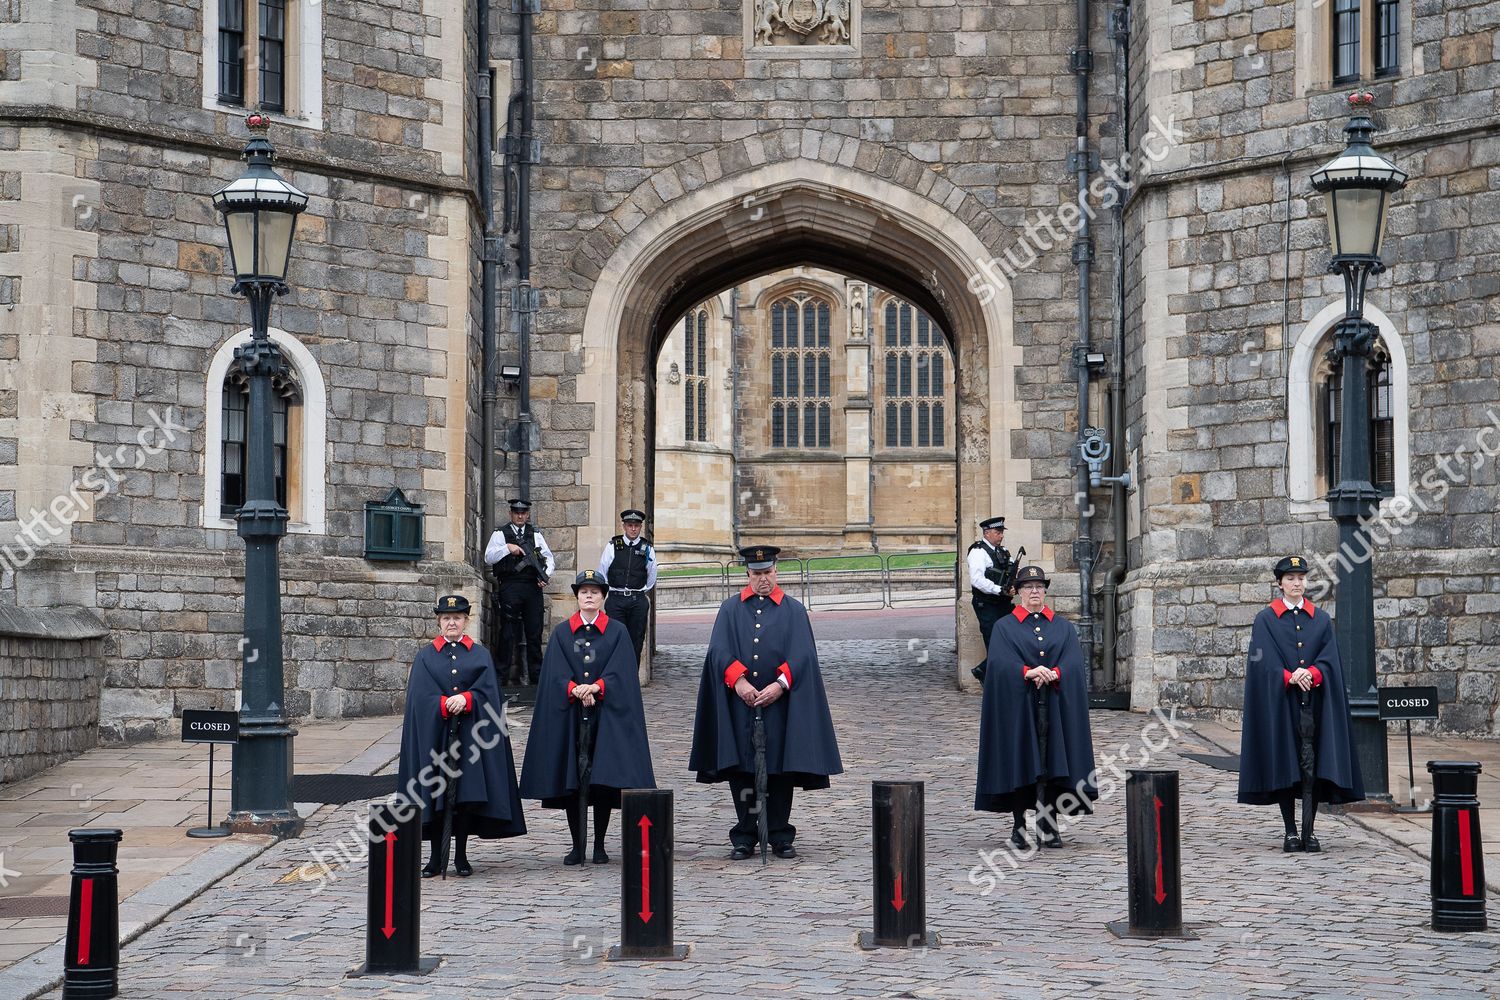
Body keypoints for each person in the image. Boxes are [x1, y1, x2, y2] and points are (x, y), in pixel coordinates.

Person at [688, 545, 842, 859]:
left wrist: (780, 684)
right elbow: (719, 651)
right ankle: (745, 834)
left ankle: (779, 833)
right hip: (740, 702)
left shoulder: (793, 610)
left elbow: (803, 654)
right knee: (743, 769)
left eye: (768, 573)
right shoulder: (730, 609)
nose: (763, 579)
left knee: (779, 769)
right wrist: (739, 681)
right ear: (747, 574)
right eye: (757, 574)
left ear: (776, 571)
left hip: (779, 704)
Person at [520, 570, 656, 865]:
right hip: (572, 714)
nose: (589, 596)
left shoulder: (617, 631)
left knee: (602, 781)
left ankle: (599, 844)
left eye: (595, 591)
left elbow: (622, 670)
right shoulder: (562, 632)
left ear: (603, 596)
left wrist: (597, 686)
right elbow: (554, 673)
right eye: (584, 592)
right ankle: (576, 844)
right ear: (577, 597)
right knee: (574, 780)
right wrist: (575, 689)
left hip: (606, 716)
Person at [1238, 555, 1364, 852]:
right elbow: (1261, 662)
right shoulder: (1265, 619)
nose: (1297, 583)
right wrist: (1288, 677)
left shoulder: (1319, 619)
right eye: (1290, 578)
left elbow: (1330, 658)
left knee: (1313, 764)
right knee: (1287, 765)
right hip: (1281, 703)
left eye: (1301, 578)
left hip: (1315, 703)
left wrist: (1313, 673)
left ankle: (1310, 830)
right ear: (1279, 583)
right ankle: (1291, 831)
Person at [396, 594, 526, 878]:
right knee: (434, 793)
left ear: (466, 620)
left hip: (470, 740)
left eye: (456, 618)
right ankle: (433, 858)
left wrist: (469, 699)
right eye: (445, 618)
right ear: (438, 622)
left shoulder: (479, 655)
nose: (451, 622)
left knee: (465, 796)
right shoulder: (426, 656)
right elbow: (419, 697)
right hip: (435, 738)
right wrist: (442, 705)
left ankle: (461, 855)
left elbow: (490, 693)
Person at [975, 566, 1097, 849]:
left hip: (1054, 706)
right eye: (1028, 587)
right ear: (1018, 592)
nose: (1034, 592)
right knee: (1022, 763)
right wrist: (1025, 672)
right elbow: (999, 663)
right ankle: (1020, 826)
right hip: (1020, 707)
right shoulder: (1004, 627)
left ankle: (1049, 824)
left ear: (1045, 591)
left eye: (1039, 587)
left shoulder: (1063, 627)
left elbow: (1074, 661)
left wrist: (1057, 672)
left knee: (1054, 763)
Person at [484, 498, 555, 685]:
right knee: (507, 633)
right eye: (517, 512)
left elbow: (549, 558)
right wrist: (508, 548)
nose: (520, 515)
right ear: (511, 514)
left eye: (523, 513)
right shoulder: (501, 534)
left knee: (534, 632)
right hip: (510, 585)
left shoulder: (535, 534)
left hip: (532, 587)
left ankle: (536, 679)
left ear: (528, 514)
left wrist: (544, 576)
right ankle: (501, 679)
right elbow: (488, 557)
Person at [597, 508, 657, 666]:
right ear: (624, 526)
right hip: (616, 600)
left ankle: (631, 681)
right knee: (614, 641)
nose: (633, 528)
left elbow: (652, 575)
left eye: (636, 525)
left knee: (635, 642)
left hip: (637, 600)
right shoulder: (613, 546)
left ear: (640, 527)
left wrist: (639, 590)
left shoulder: (647, 548)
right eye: (630, 525)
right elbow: (602, 572)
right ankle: (615, 680)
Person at [966, 516, 1015, 681]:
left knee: (1013, 639)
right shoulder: (978, 552)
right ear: (986, 533)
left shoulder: (1002, 551)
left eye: (1002, 532)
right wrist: (1000, 590)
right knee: (996, 644)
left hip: (1003, 604)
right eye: (997, 532)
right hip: (987, 605)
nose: (1001, 536)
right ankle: (988, 679)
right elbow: (977, 580)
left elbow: (1012, 569)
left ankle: (984, 671)